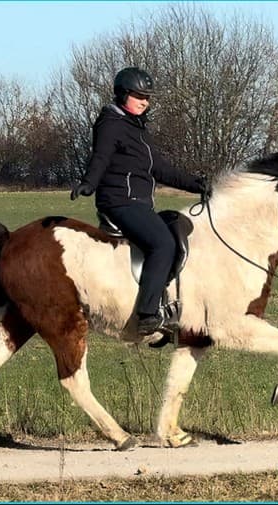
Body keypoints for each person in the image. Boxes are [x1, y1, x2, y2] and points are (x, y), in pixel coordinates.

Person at [70, 67, 208, 337]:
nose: (145, 101)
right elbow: (101, 157)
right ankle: (147, 314)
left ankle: (168, 302)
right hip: (120, 201)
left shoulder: (138, 129)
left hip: (139, 204)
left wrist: (197, 184)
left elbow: (160, 169)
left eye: (148, 97)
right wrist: (89, 183)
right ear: (123, 94)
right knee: (162, 243)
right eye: (139, 96)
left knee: (175, 228)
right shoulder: (111, 123)